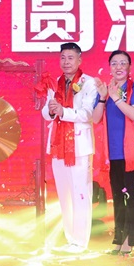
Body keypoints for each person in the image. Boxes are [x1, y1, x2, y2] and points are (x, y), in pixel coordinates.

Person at [42, 42, 98, 254]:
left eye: (70, 58)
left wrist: (63, 111)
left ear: (79, 60)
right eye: (63, 58)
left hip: (79, 146)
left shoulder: (88, 83)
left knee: (80, 193)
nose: (66, 62)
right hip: (58, 145)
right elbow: (46, 113)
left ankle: (80, 241)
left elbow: (86, 114)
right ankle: (70, 238)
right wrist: (51, 110)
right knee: (64, 195)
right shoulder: (55, 83)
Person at [92, 50, 134, 255]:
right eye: (114, 63)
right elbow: (96, 118)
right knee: (117, 196)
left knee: (131, 197)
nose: (119, 67)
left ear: (129, 67)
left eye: (123, 63)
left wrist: (115, 98)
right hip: (114, 152)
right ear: (110, 67)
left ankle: (130, 241)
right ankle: (119, 239)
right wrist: (103, 98)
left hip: (133, 153)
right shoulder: (106, 91)